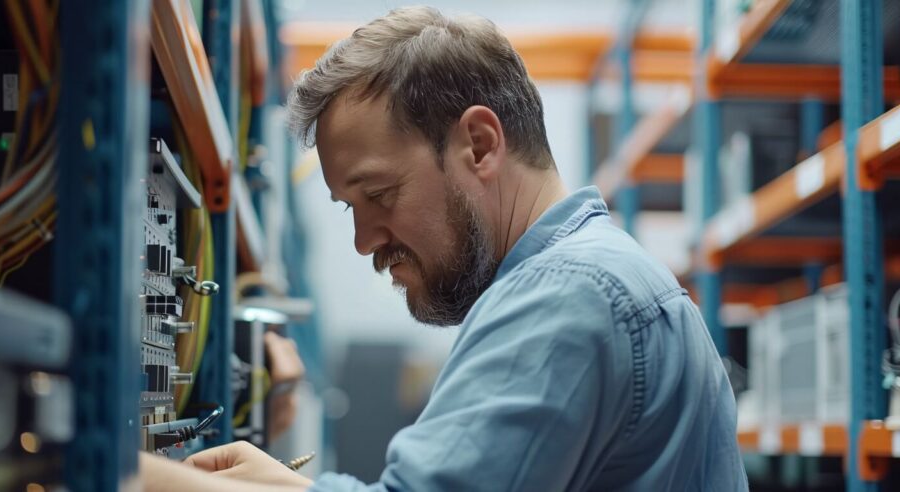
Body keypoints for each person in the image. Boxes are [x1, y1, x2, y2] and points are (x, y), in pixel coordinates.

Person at [141, 6, 748, 491]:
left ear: (480, 146)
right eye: (350, 208)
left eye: (378, 193)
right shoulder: (604, 279)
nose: (362, 242)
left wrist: (125, 476)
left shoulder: (569, 294)